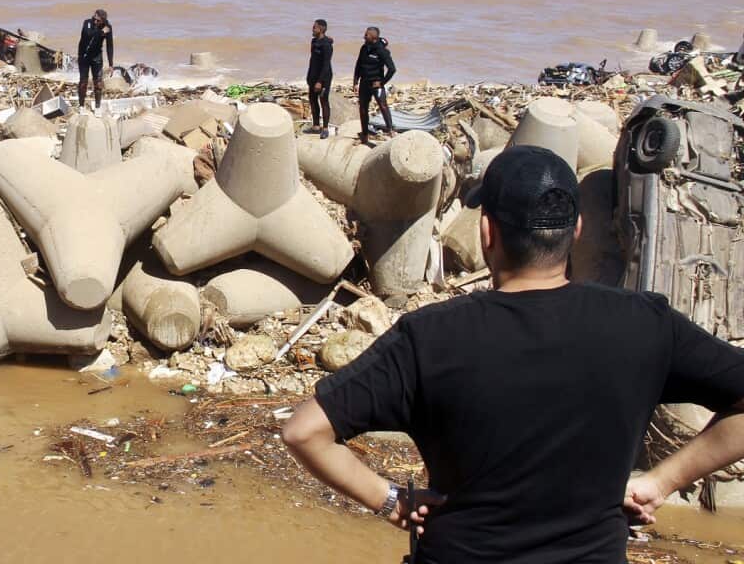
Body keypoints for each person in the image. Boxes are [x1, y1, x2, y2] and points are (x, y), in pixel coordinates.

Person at [282, 145, 744, 564]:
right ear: (576, 230)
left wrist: (390, 500)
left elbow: (304, 432)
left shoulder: (430, 336)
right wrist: (662, 481)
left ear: (487, 233)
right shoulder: (645, 323)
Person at [352, 26, 396, 144]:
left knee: (383, 106)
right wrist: (355, 82)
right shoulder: (364, 48)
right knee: (363, 108)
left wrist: (382, 82)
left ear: (374, 37)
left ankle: (390, 131)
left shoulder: (381, 51)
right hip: (364, 83)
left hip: (376, 84)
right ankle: (364, 135)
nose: (364, 36)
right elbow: (358, 65)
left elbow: (392, 69)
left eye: (366, 35)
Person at [76, 8, 114, 110]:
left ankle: (97, 107)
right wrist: (101, 32)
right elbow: (88, 35)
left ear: (103, 21)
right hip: (84, 55)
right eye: (95, 19)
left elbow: (110, 46)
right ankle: (81, 106)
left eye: (98, 21)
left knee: (98, 83)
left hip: (96, 57)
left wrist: (111, 64)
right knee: (83, 82)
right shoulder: (87, 23)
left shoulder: (107, 27)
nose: (95, 22)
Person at [306, 19, 334, 138]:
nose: (312, 29)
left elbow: (326, 64)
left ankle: (325, 128)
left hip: (324, 77)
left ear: (321, 29)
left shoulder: (326, 45)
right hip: (313, 76)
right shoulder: (314, 41)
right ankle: (316, 126)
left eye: (314, 27)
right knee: (312, 100)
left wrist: (319, 81)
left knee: (323, 101)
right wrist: (309, 76)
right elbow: (312, 60)